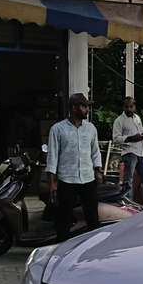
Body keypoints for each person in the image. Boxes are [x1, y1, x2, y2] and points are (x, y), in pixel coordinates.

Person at [45, 93, 103, 242]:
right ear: (74, 108)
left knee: (92, 218)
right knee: (63, 219)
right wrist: (52, 183)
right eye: (84, 106)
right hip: (67, 180)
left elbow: (95, 152)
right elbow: (52, 157)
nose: (87, 110)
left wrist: (98, 171)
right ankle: (61, 250)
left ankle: (92, 250)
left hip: (88, 179)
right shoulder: (57, 129)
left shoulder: (91, 129)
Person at [112, 97, 143, 199]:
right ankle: (129, 207)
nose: (129, 109)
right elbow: (115, 139)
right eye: (126, 107)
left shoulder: (137, 118)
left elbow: (141, 132)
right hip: (129, 153)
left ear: (134, 107)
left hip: (141, 153)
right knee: (128, 182)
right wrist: (131, 138)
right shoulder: (119, 120)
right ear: (123, 107)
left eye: (131, 107)